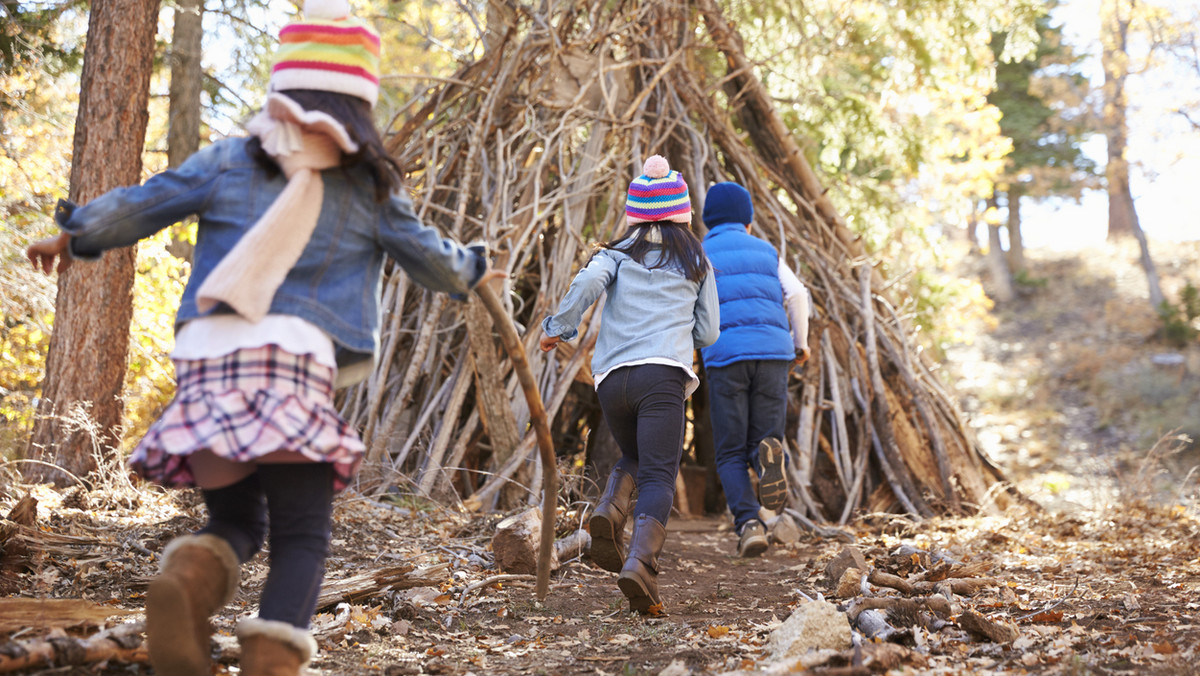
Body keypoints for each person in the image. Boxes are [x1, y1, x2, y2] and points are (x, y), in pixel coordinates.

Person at [26, 0, 501, 672]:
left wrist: (74, 236)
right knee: (302, 534)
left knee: (234, 524)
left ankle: (186, 583)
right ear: (360, 102)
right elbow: (429, 258)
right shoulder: (367, 188)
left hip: (210, 366)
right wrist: (475, 270)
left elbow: (148, 200)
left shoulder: (229, 160)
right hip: (291, 370)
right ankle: (270, 662)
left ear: (283, 87)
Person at [540, 155, 719, 614]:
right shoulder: (696, 258)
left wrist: (558, 328)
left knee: (637, 457)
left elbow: (586, 284)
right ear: (682, 213)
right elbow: (709, 333)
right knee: (660, 472)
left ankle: (610, 510)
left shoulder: (615, 254)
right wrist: (683, 336)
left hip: (611, 379)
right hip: (662, 376)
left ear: (635, 215)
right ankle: (640, 564)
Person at [699, 181, 811, 558]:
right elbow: (796, 294)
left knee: (729, 451)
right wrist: (800, 343)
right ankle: (767, 462)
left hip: (726, 355)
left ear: (707, 220)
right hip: (773, 354)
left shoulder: (701, 253)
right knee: (764, 439)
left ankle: (748, 524)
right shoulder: (767, 251)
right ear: (747, 221)